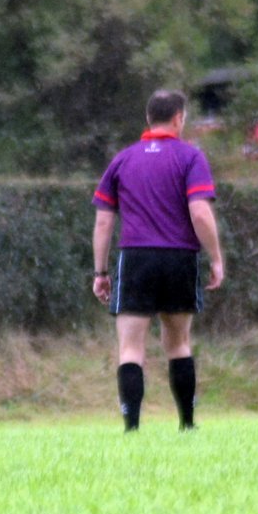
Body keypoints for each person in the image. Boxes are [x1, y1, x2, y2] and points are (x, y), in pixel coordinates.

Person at [92, 89, 224, 432]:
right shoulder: (191, 157)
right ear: (179, 118)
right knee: (178, 343)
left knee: (130, 348)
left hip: (136, 258)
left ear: (148, 118)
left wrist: (101, 272)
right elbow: (200, 213)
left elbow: (104, 221)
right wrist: (216, 257)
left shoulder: (123, 159)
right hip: (180, 257)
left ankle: (132, 428)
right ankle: (187, 424)